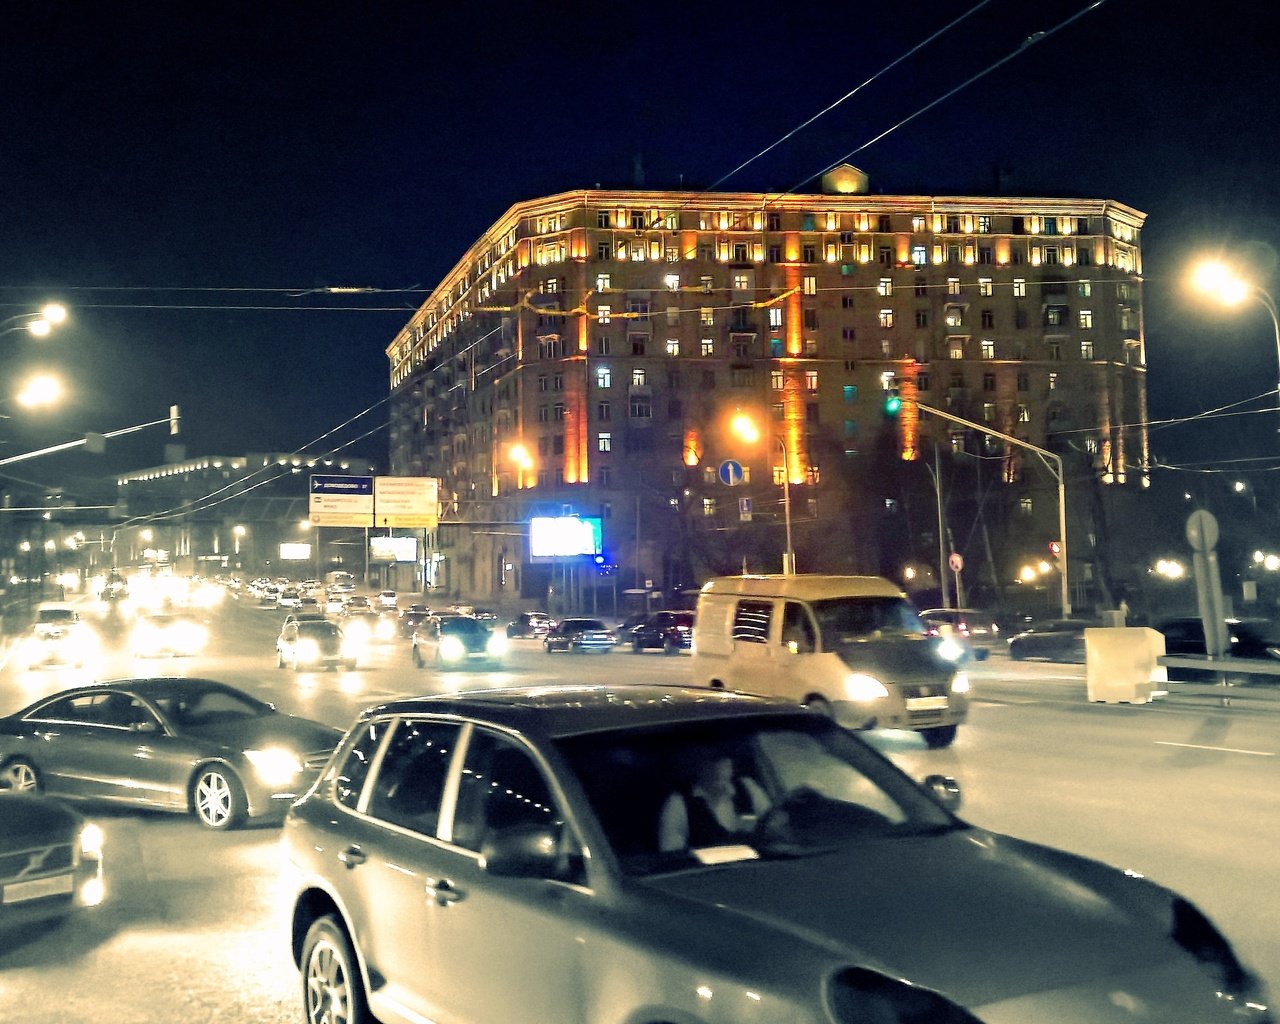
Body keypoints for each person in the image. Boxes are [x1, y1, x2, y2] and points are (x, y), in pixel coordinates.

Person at [657, 753, 771, 853]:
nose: (717, 768)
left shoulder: (747, 788)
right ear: (697, 765)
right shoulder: (679, 803)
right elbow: (673, 855)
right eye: (709, 761)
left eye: (723, 760)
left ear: (731, 764)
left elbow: (773, 827)